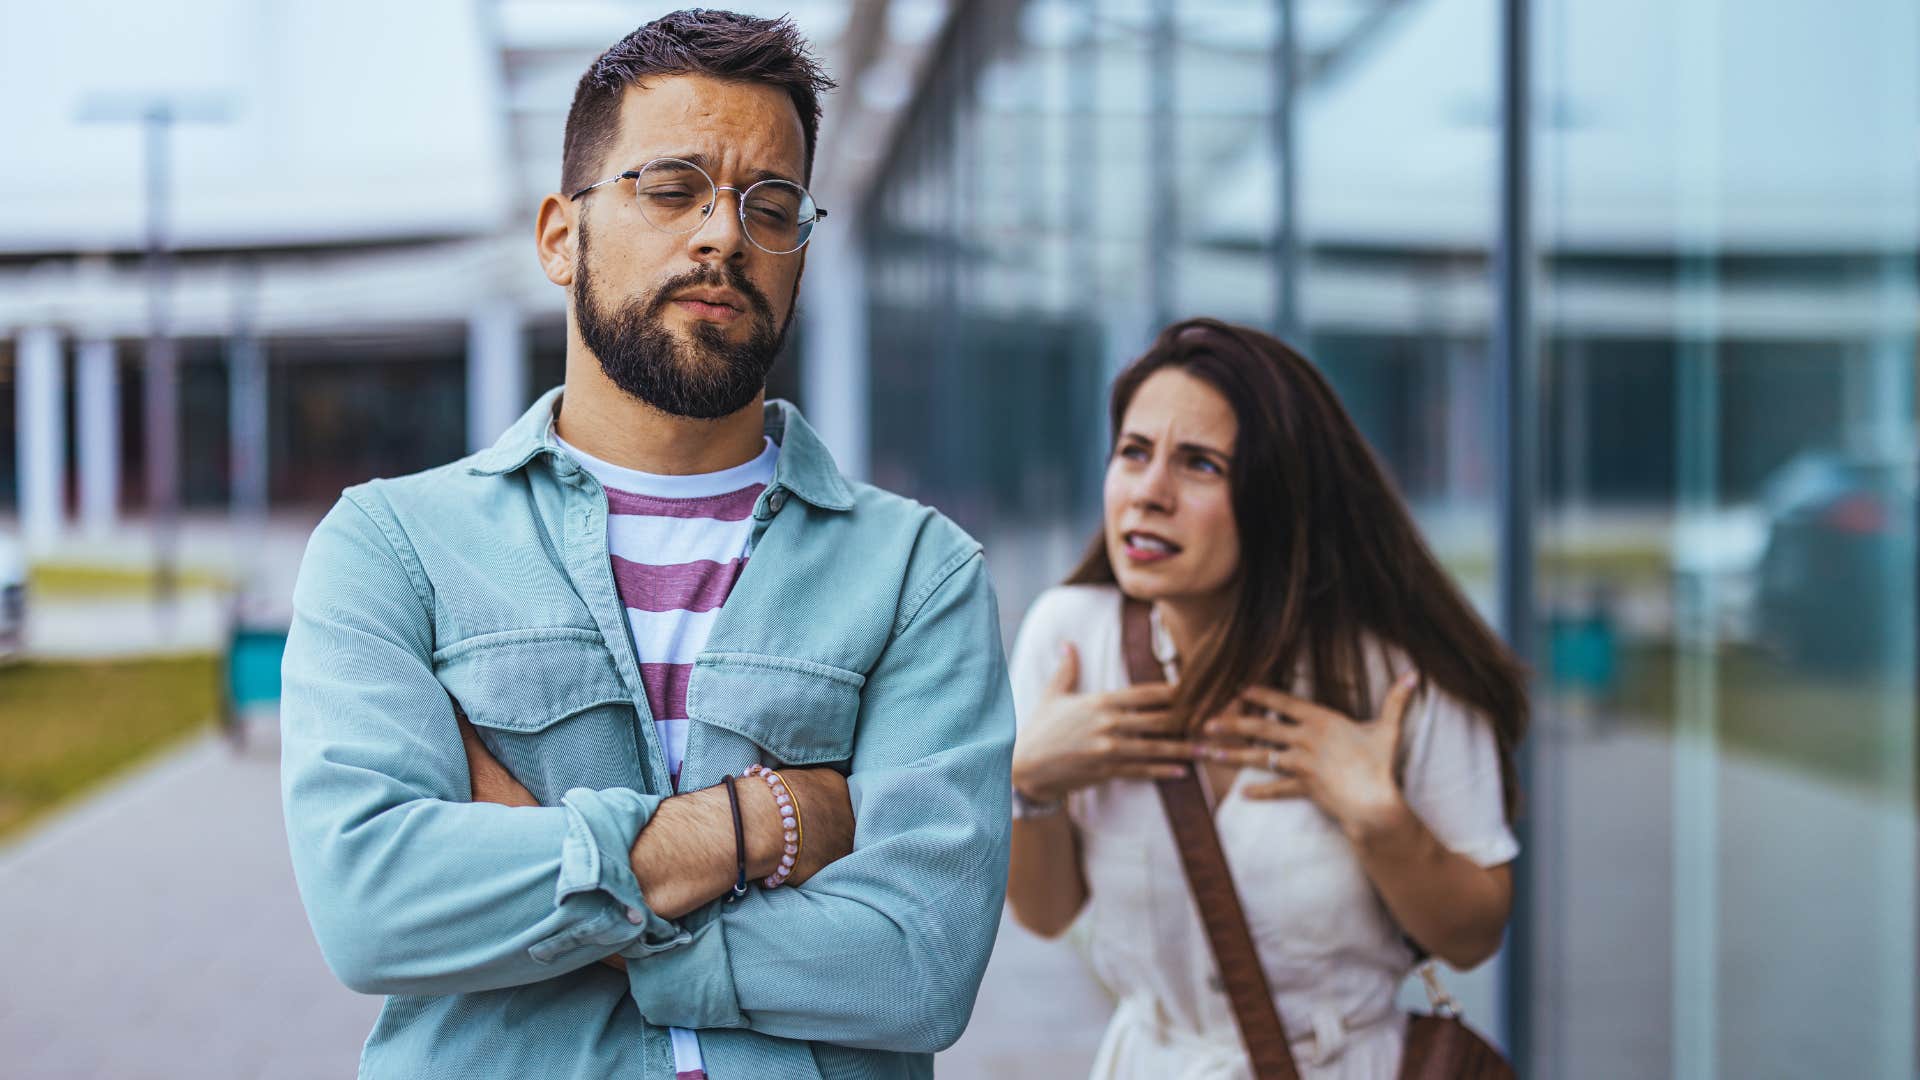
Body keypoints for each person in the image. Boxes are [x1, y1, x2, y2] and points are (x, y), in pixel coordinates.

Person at [279, 12, 1014, 1079]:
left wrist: (566, 899)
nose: (724, 235)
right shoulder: (395, 548)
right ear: (558, 237)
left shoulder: (917, 575)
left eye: (773, 206)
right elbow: (373, 907)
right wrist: (759, 821)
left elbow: (918, 967)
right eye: (671, 189)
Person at [1005, 318, 1527, 1078]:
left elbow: (1474, 936)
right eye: (1134, 453)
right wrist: (1029, 784)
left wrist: (1382, 822)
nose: (1150, 493)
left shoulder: (1399, 673)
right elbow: (1046, 915)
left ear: (1278, 494)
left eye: (1200, 465)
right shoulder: (1068, 638)